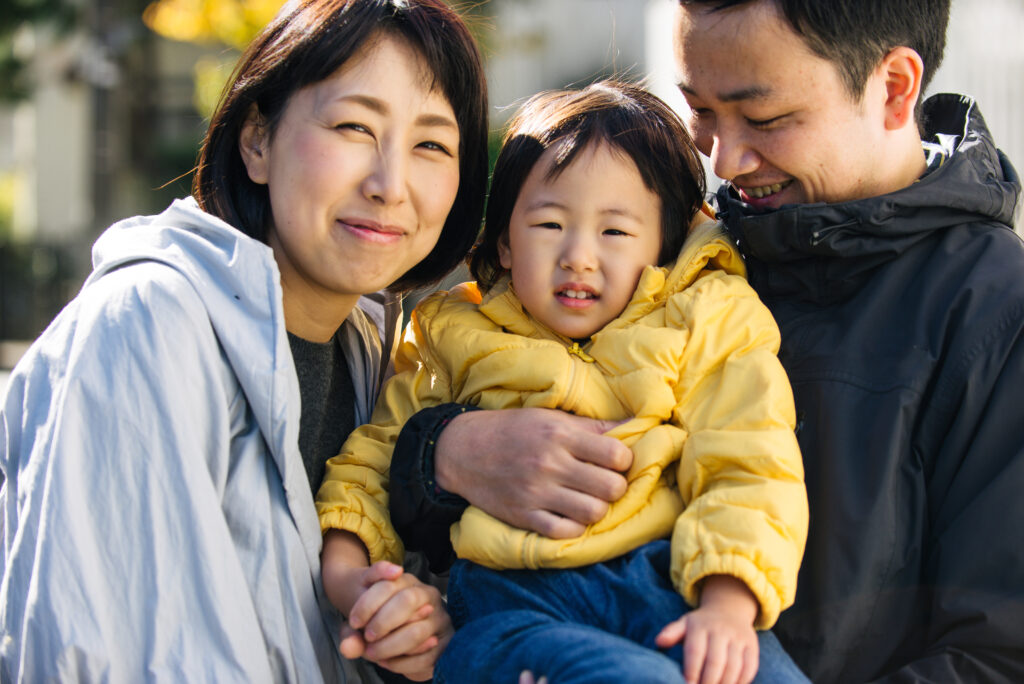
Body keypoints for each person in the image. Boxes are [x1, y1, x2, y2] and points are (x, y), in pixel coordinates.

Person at [386, 0, 1024, 682]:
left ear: (893, 87)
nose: (726, 160)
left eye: (764, 119)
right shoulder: (659, 245)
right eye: (701, 112)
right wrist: (438, 457)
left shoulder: (993, 315)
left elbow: (996, 655)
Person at [0, 0, 488, 681]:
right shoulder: (145, 325)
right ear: (256, 141)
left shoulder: (380, 356)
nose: (390, 184)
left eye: (431, 144)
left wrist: (409, 627)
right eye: (354, 126)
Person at [316, 80, 810, 684]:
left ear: (664, 244)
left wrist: (729, 604)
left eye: (615, 232)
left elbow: (751, 454)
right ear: (504, 241)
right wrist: (350, 581)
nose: (579, 255)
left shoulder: (706, 314)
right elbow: (372, 462)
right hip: (513, 605)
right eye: (550, 224)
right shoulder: (454, 331)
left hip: (671, 589)